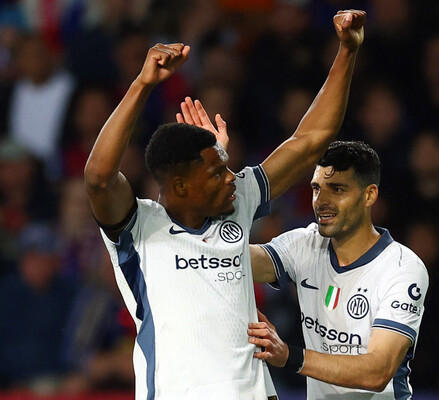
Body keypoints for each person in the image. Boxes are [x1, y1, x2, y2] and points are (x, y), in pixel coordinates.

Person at [84, 9, 366, 399]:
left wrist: (347, 51)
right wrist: (142, 85)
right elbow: (99, 177)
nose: (232, 177)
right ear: (181, 186)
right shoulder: (138, 229)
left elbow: (311, 139)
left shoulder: (236, 201)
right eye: (218, 173)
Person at [248, 141, 429, 399]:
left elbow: (377, 371)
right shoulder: (306, 244)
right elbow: (238, 260)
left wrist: (290, 356)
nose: (321, 201)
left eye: (337, 189)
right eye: (316, 189)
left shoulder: (402, 268)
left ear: (369, 195)